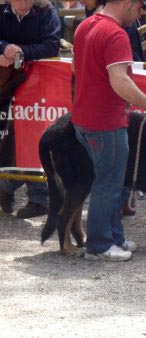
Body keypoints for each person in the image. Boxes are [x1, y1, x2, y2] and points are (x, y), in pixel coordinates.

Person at [72, 0, 146, 261]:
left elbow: (76, 69)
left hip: (83, 118)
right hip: (106, 122)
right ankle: (100, 245)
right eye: (139, 9)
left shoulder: (84, 25)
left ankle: (114, 237)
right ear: (128, 3)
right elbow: (120, 80)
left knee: (112, 182)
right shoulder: (116, 34)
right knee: (109, 184)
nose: (139, 15)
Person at [0, 0, 61, 219]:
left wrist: (19, 52)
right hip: (5, 83)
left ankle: (37, 198)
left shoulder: (45, 11)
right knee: (7, 136)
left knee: (34, 137)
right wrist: (3, 47)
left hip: (37, 84)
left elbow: (52, 45)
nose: (24, 2)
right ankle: (6, 187)